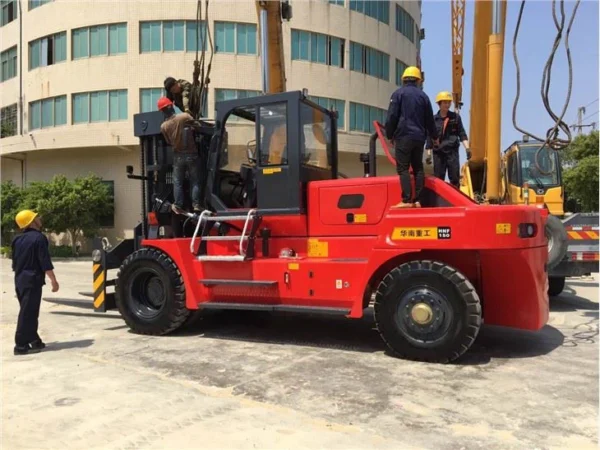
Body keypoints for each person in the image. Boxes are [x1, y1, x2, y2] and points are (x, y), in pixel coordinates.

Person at [384, 66, 439, 208]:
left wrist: (389, 134)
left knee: (403, 168)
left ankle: (407, 200)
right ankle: (419, 200)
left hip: (403, 136)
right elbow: (429, 120)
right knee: (418, 168)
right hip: (419, 138)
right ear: (418, 81)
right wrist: (434, 136)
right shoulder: (423, 96)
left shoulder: (398, 94)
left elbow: (392, 117)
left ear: (404, 80)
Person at [11, 210, 59, 356]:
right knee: (28, 313)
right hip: (32, 280)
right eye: (36, 217)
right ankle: (20, 345)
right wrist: (54, 281)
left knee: (29, 311)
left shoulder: (16, 240)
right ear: (31, 222)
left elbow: (15, 263)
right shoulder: (39, 238)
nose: (39, 218)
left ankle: (34, 339)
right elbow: (44, 262)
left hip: (20, 280)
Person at [157, 97, 203, 214]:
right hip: (192, 154)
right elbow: (198, 126)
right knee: (195, 181)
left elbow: (168, 142)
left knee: (177, 181)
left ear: (162, 111)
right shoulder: (184, 117)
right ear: (171, 106)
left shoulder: (164, 126)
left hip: (178, 156)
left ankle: (178, 204)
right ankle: (196, 204)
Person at [425, 91, 471, 189]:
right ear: (439, 104)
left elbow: (462, 134)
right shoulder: (433, 120)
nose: (447, 105)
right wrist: (428, 155)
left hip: (452, 153)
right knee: (438, 180)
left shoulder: (455, 118)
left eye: (449, 102)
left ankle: (456, 202)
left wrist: (467, 149)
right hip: (439, 153)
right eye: (445, 102)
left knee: (455, 179)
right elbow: (429, 138)